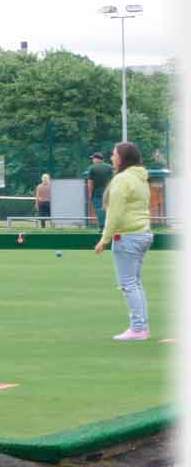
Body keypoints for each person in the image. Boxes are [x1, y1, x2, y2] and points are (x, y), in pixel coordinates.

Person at [94, 141, 153, 341]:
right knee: (135, 283)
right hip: (143, 233)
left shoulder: (122, 179)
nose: (112, 157)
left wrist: (105, 239)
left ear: (123, 158)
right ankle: (141, 327)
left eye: (114, 154)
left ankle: (138, 329)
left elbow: (115, 213)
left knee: (128, 284)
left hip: (127, 236)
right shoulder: (141, 178)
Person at [85, 151, 113, 231]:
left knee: (99, 209)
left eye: (93, 158)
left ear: (96, 159)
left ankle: (102, 226)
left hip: (97, 193)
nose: (92, 160)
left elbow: (90, 182)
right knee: (109, 209)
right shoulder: (110, 167)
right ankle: (110, 226)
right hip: (109, 192)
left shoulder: (92, 168)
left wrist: (90, 193)